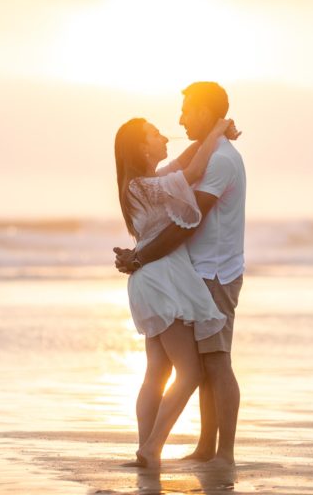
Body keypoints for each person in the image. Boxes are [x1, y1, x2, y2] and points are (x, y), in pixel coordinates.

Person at [115, 82, 246, 468]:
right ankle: (156, 448)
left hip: (204, 272)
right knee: (194, 369)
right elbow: (188, 190)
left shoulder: (150, 181)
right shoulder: (152, 184)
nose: (176, 122)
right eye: (155, 134)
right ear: (141, 148)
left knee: (186, 366)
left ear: (204, 112)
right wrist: (139, 258)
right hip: (169, 276)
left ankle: (213, 451)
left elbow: (189, 166)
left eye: (186, 109)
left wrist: (218, 129)